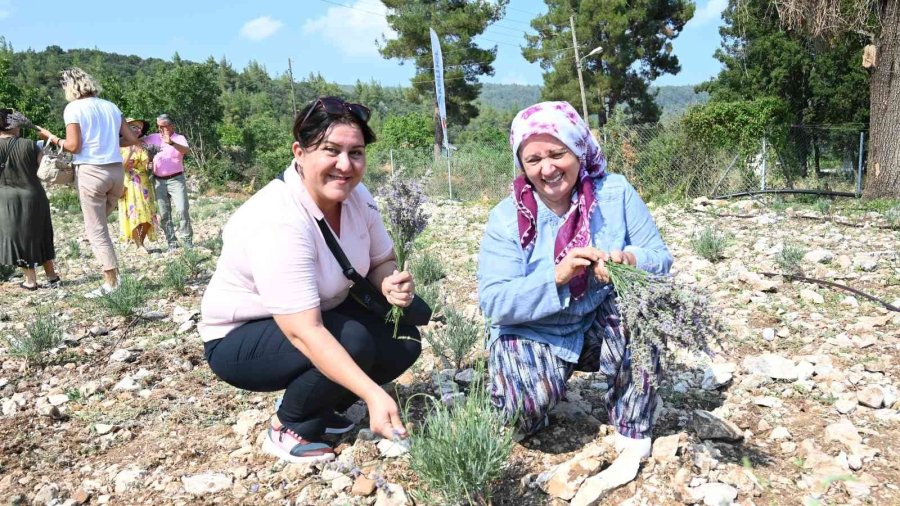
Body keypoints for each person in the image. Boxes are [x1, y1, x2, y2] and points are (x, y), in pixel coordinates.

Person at [199, 97, 422, 464]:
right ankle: (290, 425)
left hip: (319, 313)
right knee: (353, 340)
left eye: (356, 153)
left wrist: (387, 283)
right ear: (299, 153)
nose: (345, 165)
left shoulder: (356, 196)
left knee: (402, 340)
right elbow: (303, 331)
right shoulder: (279, 218)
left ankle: (324, 407)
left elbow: (382, 259)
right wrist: (372, 394)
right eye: (330, 151)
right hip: (242, 337)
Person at [477, 101, 673, 485]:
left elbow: (661, 258)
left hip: (598, 319)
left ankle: (633, 424)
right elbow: (495, 302)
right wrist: (557, 277)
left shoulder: (614, 193)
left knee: (646, 303)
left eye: (557, 153)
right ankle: (532, 379)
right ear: (522, 165)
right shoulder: (506, 218)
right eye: (533, 159)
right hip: (535, 328)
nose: (546, 168)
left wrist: (629, 260)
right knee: (522, 415)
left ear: (578, 150)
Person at [36, 67, 140, 298]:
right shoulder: (111, 106)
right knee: (101, 225)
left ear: (69, 87)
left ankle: (111, 283)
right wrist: (108, 141)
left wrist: (50, 137)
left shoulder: (73, 108)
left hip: (91, 172)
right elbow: (132, 138)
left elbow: (74, 147)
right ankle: (114, 275)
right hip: (116, 172)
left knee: (97, 230)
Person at [0, 109, 59, 290]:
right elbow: (45, 169)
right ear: (15, 125)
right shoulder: (29, 144)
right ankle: (52, 277)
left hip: (6, 199)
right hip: (34, 195)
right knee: (41, 234)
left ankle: (30, 280)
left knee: (19, 238)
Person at [142, 114, 193, 250]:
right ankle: (172, 242)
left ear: (172, 126)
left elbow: (186, 151)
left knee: (182, 209)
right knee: (164, 214)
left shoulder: (179, 138)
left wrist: (171, 142)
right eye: (159, 126)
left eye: (164, 126)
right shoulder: (152, 138)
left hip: (176, 179)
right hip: (158, 180)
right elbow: (136, 143)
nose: (161, 129)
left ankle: (187, 240)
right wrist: (146, 163)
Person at [118, 118, 159, 251]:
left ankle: (141, 242)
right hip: (129, 183)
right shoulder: (118, 146)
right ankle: (138, 244)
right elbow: (120, 167)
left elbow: (146, 165)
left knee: (147, 213)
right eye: (134, 127)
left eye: (139, 128)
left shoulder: (143, 145)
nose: (138, 130)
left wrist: (150, 165)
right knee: (134, 213)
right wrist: (130, 151)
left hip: (144, 183)